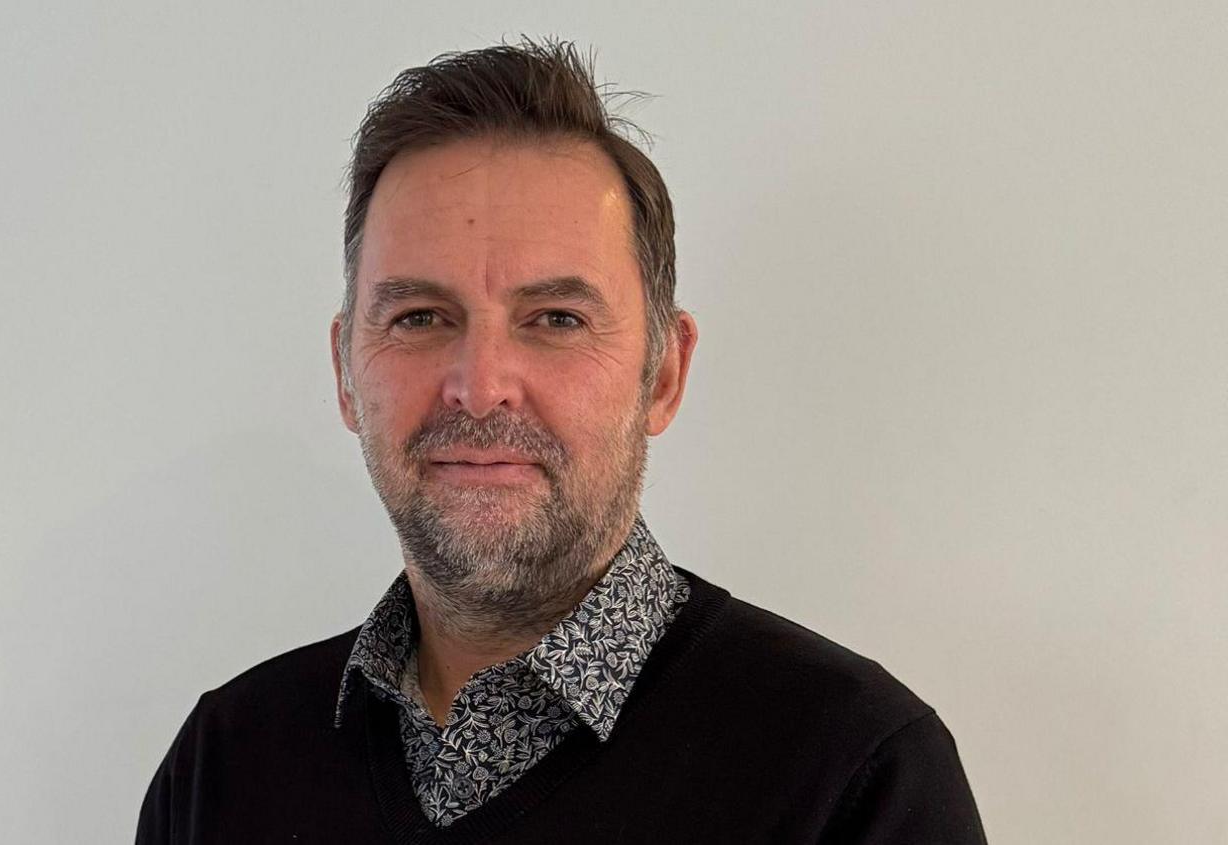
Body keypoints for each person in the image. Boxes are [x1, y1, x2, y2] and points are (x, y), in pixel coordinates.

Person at [135, 38, 985, 844]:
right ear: (345, 372)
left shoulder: (854, 775)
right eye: (421, 316)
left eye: (556, 319)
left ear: (663, 374)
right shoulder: (224, 764)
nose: (481, 382)